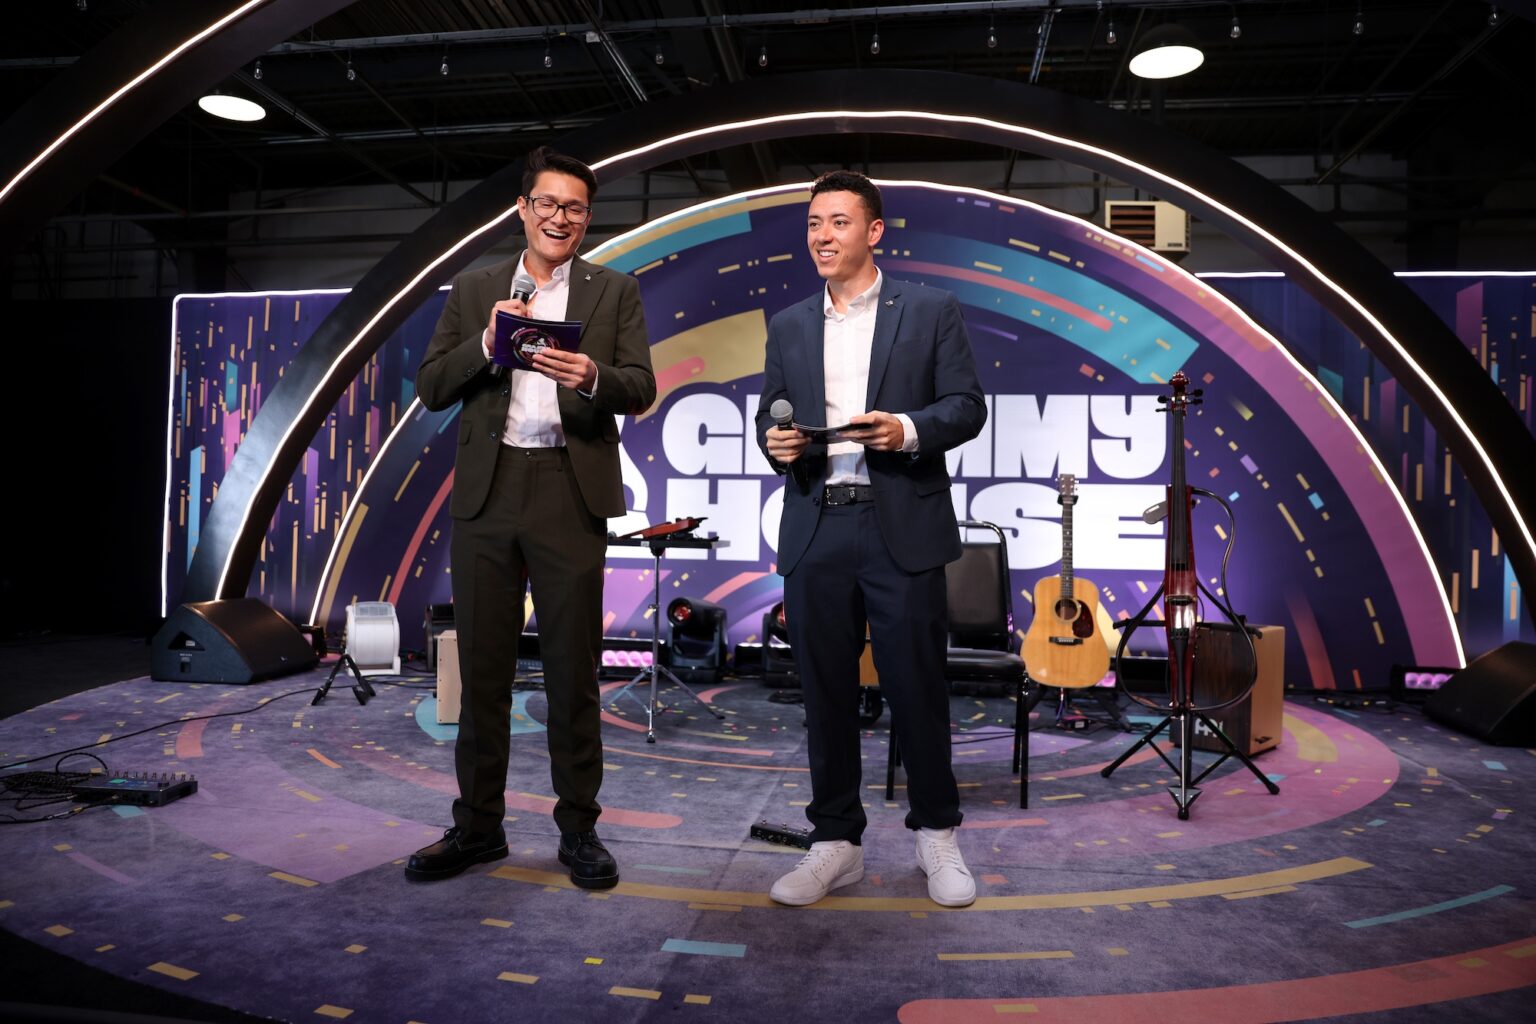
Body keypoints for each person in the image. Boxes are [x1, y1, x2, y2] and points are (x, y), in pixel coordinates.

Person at [407, 146, 656, 888]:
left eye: (575, 208)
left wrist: (594, 376)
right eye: (547, 204)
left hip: (566, 487)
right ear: (523, 209)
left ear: (586, 221)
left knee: (571, 671)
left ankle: (578, 830)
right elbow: (430, 386)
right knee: (481, 670)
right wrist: (487, 343)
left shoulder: (614, 292)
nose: (560, 218)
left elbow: (639, 386)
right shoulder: (478, 287)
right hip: (489, 489)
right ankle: (478, 828)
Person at [756, 171, 987, 908]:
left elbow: (966, 406)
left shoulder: (930, 309)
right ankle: (836, 844)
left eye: (839, 223)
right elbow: (774, 412)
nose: (822, 236)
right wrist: (778, 444)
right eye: (813, 224)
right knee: (824, 693)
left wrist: (907, 429)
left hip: (902, 526)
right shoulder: (789, 322)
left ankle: (937, 838)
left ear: (875, 231)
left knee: (916, 687)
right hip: (817, 520)